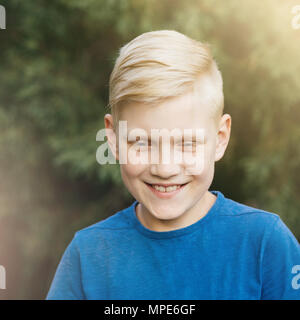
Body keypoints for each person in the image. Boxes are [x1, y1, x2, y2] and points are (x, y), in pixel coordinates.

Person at [46, 30, 300, 300]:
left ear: (220, 138)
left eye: (187, 143)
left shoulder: (265, 245)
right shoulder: (88, 256)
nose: (164, 168)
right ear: (114, 139)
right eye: (142, 143)